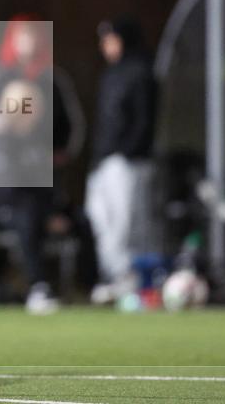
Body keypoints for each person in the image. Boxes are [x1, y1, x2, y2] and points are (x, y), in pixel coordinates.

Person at [0, 16, 86, 313]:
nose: (29, 41)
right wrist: (1, 119)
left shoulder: (52, 80)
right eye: (23, 35)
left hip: (42, 181)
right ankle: (36, 285)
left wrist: (59, 153)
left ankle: (94, 285)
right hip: (5, 181)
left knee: (79, 221)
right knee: (25, 214)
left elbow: (72, 128)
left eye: (34, 35)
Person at [85, 16, 156, 304]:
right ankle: (114, 275)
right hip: (104, 161)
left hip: (128, 162)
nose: (105, 45)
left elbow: (143, 121)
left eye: (110, 38)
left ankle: (134, 279)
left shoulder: (141, 72)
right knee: (101, 220)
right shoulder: (111, 74)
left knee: (126, 223)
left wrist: (128, 151)